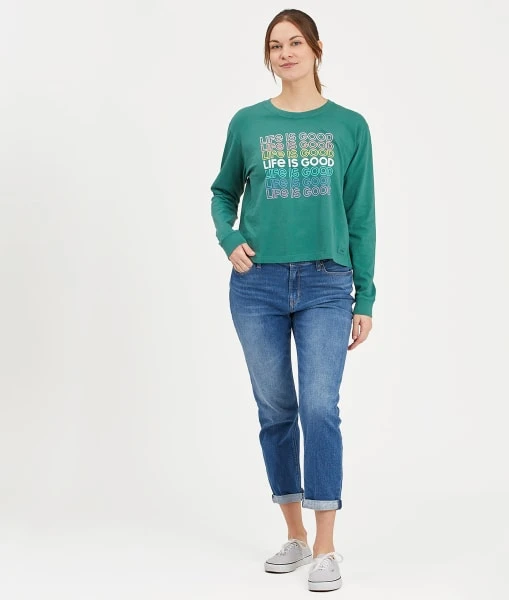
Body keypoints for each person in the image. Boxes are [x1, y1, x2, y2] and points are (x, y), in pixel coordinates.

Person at [210, 8, 376, 593]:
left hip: (327, 283)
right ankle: (295, 535)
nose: (285, 53)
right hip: (256, 284)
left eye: (295, 42)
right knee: (276, 409)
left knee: (319, 407)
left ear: (316, 49)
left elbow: (361, 215)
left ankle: (326, 546)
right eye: (276, 45)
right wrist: (229, 237)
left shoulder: (349, 126)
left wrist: (365, 294)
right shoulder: (248, 123)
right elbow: (223, 192)